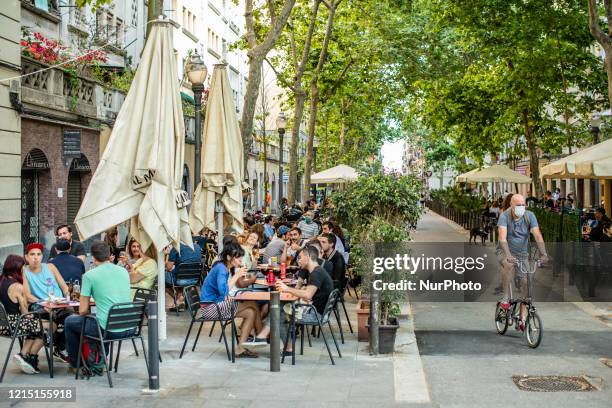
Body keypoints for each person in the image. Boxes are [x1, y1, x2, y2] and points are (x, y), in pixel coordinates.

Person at [63, 241, 134, 369]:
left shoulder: (89, 276)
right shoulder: (123, 271)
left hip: (108, 329)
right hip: (130, 326)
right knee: (100, 318)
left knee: (70, 321)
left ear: (93, 258)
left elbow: (83, 310)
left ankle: (76, 364)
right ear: (109, 255)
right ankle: (101, 357)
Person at [199, 243, 266, 358]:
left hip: (214, 305)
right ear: (229, 257)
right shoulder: (221, 269)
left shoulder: (224, 267)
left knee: (251, 312)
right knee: (252, 304)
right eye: (237, 256)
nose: (240, 258)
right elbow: (223, 291)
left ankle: (241, 348)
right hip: (210, 308)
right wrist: (237, 275)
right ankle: (261, 336)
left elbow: (222, 293)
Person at [497, 194, 549, 330]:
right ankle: (505, 297)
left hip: (522, 254)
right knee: (508, 265)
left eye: (523, 204)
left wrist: (544, 254)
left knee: (527, 281)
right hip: (504, 250)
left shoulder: (529, 216)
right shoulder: (505, 216)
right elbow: (502, 238)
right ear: (511, 206)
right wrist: (508, 254)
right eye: (517, 204)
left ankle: (522, 317)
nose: (521, 207)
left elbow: (537, 235)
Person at [275, 245, 334, 356]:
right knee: (280, 307)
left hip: (315, 314)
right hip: (319, 312)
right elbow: (311, 291)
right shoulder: (317, 271)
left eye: (300, 257)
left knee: (278, 314)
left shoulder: (316, 273)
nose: (298, 260)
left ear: (307, 257)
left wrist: (286, 288)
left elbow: (307, 295)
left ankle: (288, 348)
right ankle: (264, 336)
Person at [21, 243, 70, 362]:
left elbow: (64, 287)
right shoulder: (24, 271)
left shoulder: (50, 267)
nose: (35, 257)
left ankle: (60, 346)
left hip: (59, 303)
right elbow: (27, 295)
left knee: (70, 318)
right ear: (26, 257)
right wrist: (45, 303)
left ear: (42, 256)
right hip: (39, 304)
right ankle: (60, 347)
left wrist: (68, 297)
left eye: (38, 254)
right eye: (32, 254)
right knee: (53, 317)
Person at [0, 255, 45, 374]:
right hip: (14, 325)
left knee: (34, 324)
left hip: (3, 326)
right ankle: (24, 354)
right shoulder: (18, 287)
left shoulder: (1, 282)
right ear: (17, 268)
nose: (24, 269)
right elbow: (25, 313)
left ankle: (25, 356)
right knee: (42, 327)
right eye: (23, 266)